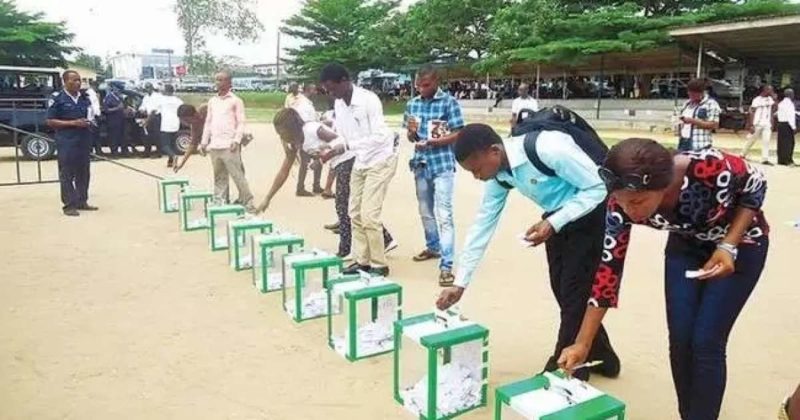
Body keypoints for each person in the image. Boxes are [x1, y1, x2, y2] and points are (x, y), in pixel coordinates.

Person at [558, 140, 769, 420]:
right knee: (680, 340)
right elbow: (608, 271)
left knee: (706, 341)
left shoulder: (706, 167)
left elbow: (757, 185)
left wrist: (728, 244)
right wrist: (582, 343)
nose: (628, 210)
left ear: (663, 185)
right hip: (686, 248)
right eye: (620, 201)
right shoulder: (619, 205)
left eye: (637, 202)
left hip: (742, 245)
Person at [436, 123, 619, 381]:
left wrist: (553, 222)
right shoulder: (499, 175)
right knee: (564, 291)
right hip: (558, 219)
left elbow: (599, 188)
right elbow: (482, 225)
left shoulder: (548, 149)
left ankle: (564, 369)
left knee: (574, 291)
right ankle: (604, 355)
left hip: (593, 213)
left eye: (476, 169)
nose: (476, 176)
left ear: (494, 151)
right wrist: (460, 283)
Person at [258, 108, 396, 258]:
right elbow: (283, 172)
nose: (281, 136)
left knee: (342, 205)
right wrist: (267, 198)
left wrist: (322, 159)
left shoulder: (312, 129)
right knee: (351, 206)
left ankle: (346, 250)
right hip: (338, 164)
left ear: (292, 127)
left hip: (349, 158)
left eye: (282, 132)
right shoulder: (294, 144)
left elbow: (339, 141)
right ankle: (385, 239)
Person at [320, 63, 398, 277]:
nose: (330, 93)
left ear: (345, 81)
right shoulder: (339, 105)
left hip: (381, 159)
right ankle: (361, 261)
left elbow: (380, 137)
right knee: (353, 212)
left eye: (332, 87)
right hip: (361, 160)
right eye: (327, 89)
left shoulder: (368, 100)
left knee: (369, 215)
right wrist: (331, 149)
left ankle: (379, 264)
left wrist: (346, 147)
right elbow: (345, 138)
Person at [405, 65, 464, 286]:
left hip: (442, 165)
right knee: (425, 211)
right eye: (418, 85)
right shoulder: (412, 104)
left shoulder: (449, 102)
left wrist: (434, 142)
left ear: (437, 82)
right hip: (420, 164)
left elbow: (459, 132)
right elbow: (411, 136)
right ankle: (433, 246)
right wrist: (412, 134)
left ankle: (446, 266)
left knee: (444, 214)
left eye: (426, 85)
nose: (421, 89)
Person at [46, 70, 99, 216]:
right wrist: (73, 123)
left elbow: (90, 115)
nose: (77, 83)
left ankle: (82, 201)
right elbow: (50, 121)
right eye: (74, 80)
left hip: (84, 139)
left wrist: (89, 122)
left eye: (79, 80)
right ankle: (69, 205)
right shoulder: (57, 98)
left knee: (83, 172)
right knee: (67, 174)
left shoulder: (84, 98)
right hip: (67, 141)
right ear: (65, 81)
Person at [200, 70, 256, 210]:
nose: (218, 82)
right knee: (219, 176)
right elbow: (208, 122)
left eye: (221, 80)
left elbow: (241, 122)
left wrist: (236, 140)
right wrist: (204, 142)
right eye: (216, 80)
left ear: (229, 82)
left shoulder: (236, 100)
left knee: (237, 175)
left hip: (230, 144)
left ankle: (247, 201)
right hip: (215, 145)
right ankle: (221, 202)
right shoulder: (212, 101)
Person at [290, 90, 323, 197]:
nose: (316, 92)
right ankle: (303, 188)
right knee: (308, 162)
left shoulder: (305, 104)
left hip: (308, 135)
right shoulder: (305, 105)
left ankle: (311, 186)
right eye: (313, 90)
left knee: (314, 161)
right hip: (308, 136)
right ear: (307, 90)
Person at [676, 79, 721, 152]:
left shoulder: (711, 104)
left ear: (701, 92)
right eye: (689, 93)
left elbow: (714, 125)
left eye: (693, 94)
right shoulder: (686, 104)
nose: (690, 95)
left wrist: (693, 121)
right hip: (684, 141)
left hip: (699, 144)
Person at [742, 85, 777, 165]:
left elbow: (774, 109)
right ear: (765, 90)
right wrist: (751, 125)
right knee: (752, 139)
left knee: (766, 141)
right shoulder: (757, 100)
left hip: (767, 123)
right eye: (770, 90)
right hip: (757, 123)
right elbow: (752, 112)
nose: (771, 92)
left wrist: (774, 98)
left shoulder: (770, 99)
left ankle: (765, 159)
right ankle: (742, 154)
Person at [153, 84, 183, 168]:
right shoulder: (178, 101)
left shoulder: (161, 100)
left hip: (166, 124)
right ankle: (170, 162)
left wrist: (148, 120)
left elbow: (154, 111)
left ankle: (173, 156)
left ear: (166, 91)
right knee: (172, 144)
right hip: (175, 123)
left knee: (164, 145)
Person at [174, 103, 207, 173]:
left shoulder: (205, 108)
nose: (186, 123)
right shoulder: (195, 126)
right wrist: (181, 164)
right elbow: (192, 145)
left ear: (194, 115)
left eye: (187, 120)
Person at [139, 82, 162, 158]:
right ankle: (147, 152)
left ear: (152, 88)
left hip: (155, 117)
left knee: (156, 135)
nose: (147, 89)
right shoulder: (146, 97)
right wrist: (142, 110)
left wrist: (146, 121)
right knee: (147, 136)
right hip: (148, 116)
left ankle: (158, 152)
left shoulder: (158, 96)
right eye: (146, 88)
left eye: (148, 88)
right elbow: (142, 106)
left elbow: (154, 111)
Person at [103, 84, 127, 157]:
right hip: (112, 121)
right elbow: (106, 110)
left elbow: (123, 107)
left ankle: (124, 152)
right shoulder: (109, 97)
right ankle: (114, 153)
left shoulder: (120, 97)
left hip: (121, 120)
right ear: (114, 89)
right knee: (114, 137)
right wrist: (117, 108)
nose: (119, 91)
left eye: (120, 90)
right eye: (117, 89)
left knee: (122, 136)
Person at [776, 88, 797, 166]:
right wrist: (793, 127)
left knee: (781, 143)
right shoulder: (790, 104)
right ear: (790, 95)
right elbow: (790, 116)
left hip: (781, 124)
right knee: (789, 143)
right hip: (787, 125)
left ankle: (781, 160)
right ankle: (788, 160)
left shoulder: (781, 103)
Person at [85, 80, 103, 155]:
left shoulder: (94, 93)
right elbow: (91, 107)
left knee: (96, 136)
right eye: (96, 86)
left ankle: (98, 151)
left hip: (95, 116)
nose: (97, 87)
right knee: (92, 136)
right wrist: (93, 118)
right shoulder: (90, 94)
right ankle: (92, 153)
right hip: (92, 117)